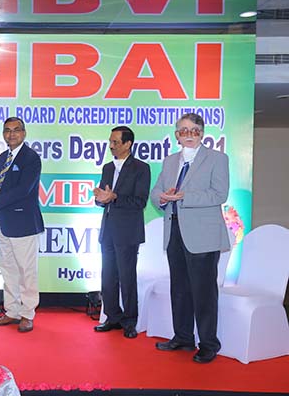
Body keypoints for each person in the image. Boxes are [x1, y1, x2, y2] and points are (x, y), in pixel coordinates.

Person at [150, 112, 230, 364]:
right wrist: (163, 197)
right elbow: (156, 191)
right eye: (183, 130)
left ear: (202, 133)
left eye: (194, 130)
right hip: (174, 231)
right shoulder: (170, 161)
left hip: (203, 235)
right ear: (177, 135)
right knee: (180, 289)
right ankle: (183, 337)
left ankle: (208, 344)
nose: (189, 135)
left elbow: (219, 194)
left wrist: (184, 196)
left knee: (204, 293)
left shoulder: (217, 158)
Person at [0, 117, 44, 333]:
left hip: (23, 223)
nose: (11, 134)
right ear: (3, 134)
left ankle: (27, 314)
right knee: (8, 270)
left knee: (26, 271)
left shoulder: (31, 158)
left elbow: (23, 190)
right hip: (4, 223)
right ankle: (12, 310)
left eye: (16, 130)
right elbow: (0, 187)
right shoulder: (3, 157)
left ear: (24, 133)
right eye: (7, 130)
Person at [93, 126, 150, 339]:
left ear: (128, 144)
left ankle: (130, 321)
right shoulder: (107, 168)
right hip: (108, 229)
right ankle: (112, 317)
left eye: (115, 142)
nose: (111, 146)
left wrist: (114, 197)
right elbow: (103, 198)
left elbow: (140, 201)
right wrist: (100, 198)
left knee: (127, 277)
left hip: (127, 231)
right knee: (108, 277)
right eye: (110, 141)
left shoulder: (141, 168)